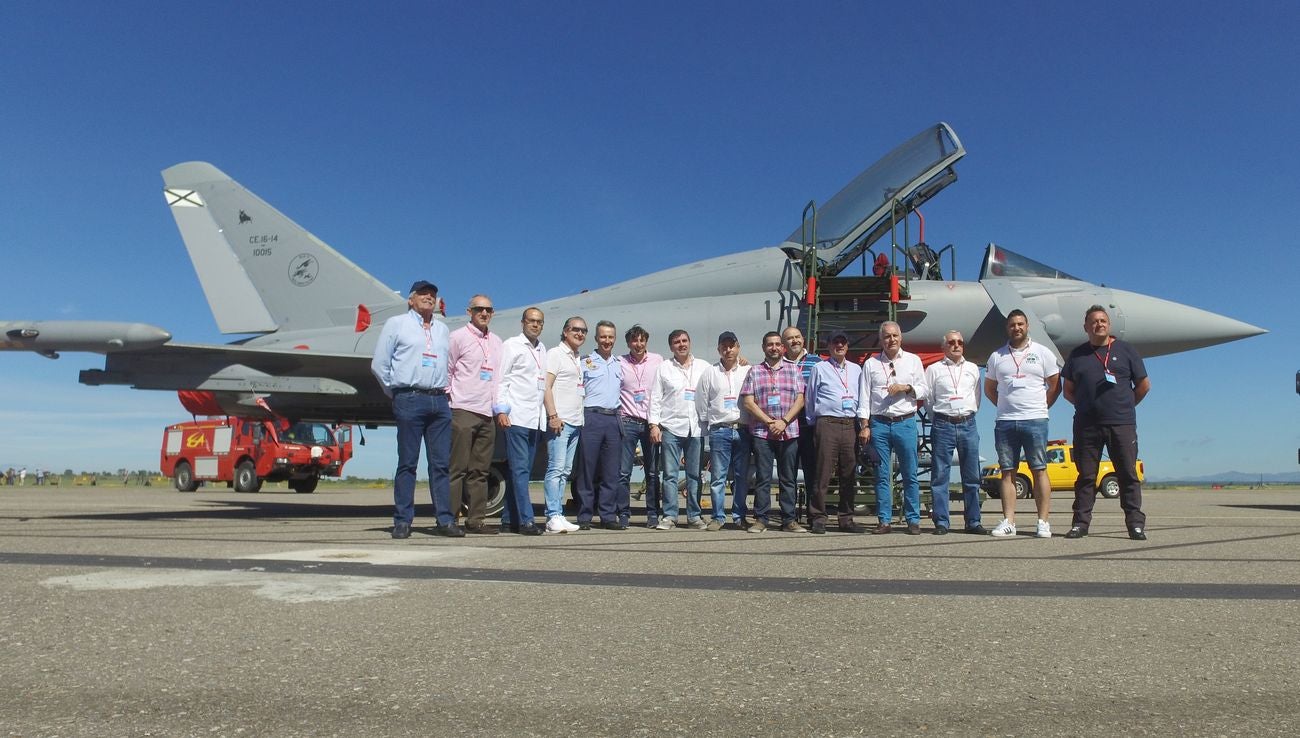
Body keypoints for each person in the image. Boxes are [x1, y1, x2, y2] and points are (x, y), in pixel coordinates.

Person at [370, 280, 460, 539]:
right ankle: (403, 520)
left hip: (439, 401)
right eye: (422, 294)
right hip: (409, 398)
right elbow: (379, 364)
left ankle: (445, 520)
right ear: (411, 300)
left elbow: (448, 365)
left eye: (432, 294)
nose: (428, 297)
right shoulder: (396, 324)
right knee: (408, 463)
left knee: (441, 465)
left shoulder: (443, 330)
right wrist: (397, 392)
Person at [1061, 305, 1150, 540]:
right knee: (1086, 476)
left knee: (1127, 474)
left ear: (1108, 325)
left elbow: (1143, 386)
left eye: (1102, 321)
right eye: (1094, 321)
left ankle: (1135, 525)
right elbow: (1068, 391)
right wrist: (1085, 406)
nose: (1098, 324)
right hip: (1087, 426)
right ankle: (1080, 523)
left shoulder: (1126, 350)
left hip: (1121, 424)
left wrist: (1125, 406)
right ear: (1086, 327)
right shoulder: (1077, 355)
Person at [984, 309, 1061, 539]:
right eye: (1012, 325)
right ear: (1007, 329)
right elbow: (989, 388)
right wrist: (1005, 407)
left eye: (1020, 324)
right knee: (1008, 471)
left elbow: (1055, 384)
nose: (1016, 328)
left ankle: (1043, 522)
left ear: (1027, 326)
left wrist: (1041, 407)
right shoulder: (997, 356)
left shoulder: (1042, 353)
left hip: (1035, 420)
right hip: (1006, 422)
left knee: (1039, 469)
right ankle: (1009, 521)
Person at [859, 321, 928, 535]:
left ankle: (913, 520)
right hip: (879, 424)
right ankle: (884, 520)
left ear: (901, 338)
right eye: (887, 336)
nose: (891, 340)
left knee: (910, 473)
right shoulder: (871, 364)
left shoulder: (913, 361)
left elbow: (924, 391)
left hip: (905, 422)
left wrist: (906, 388)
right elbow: (864, 396)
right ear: (881, 340)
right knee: (881, 474)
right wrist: (864, 425)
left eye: (895, 336)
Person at [740, 331, 807, 533]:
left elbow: (800, 399)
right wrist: (770, 422)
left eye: (778, 344)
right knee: (763, 478)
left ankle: (789, 520)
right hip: (762, 432)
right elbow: (748, 402)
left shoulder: (794, 370)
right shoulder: (754, 371)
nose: (774, 348)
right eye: (770, 344)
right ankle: (761, 519)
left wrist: (784, 421)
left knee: (788, 478)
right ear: (764, 347)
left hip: (789, 431)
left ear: (783, 347)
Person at [447, 295, 503, 534]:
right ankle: (449, 519)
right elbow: (447, 370)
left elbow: (498, 377)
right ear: (469, 311)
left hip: (486, 413)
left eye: (488, 309)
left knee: (480, 470)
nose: (484, 312)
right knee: (456, 468)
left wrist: (497, 408)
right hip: (462, 410)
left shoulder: (497, 342)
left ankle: (475, 519)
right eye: (479, 309)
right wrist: (451, 400)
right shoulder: (457, 337)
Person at [493, 307, 548, 535]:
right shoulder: (511, 346)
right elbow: (501, 379)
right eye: (531, 321)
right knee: (520, 471)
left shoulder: (542, 348)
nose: (535, 325)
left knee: (520, 469)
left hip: (535, 419)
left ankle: (508, 520)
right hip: (516, 416)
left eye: (539, 322)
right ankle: (526, 521)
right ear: (522, 323)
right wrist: (501, 410)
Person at [924, 330, 985, 535]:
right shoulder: (933, 370)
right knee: (940, 475)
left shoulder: (973, 368)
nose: (956, 345)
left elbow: (977, 396)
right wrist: (941, 418)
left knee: (972, 475)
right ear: (944, 347)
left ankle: (973, 521)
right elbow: (929, 400)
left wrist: (966, 413)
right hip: (943, 424)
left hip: (968, 423)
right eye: (951, 342)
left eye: (960, 342)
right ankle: (941, 521)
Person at [804, 330, 865, 534]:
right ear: (828, 346)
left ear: (847, 346)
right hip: (827, 423)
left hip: (850, 424)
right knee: (823, 472)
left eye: (843, 342)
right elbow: (810, 398)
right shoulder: (820, 368)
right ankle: (817, 517)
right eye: (835, 342)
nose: (839, 346)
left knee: (849, 473)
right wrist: (815, 422)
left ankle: (846, 518)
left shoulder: (856, 369)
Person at [648, 329, 709, 530]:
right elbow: (655, 398)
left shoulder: (703, 367)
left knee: (694, 475)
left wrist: (741, 361)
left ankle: (694, 516)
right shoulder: (664, 368)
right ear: (671, 346)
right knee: (670, 475)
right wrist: (654, 425)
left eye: (684, 341)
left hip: (696, 428)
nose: (681, 344)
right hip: (672, 428)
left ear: (689, 342)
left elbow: (720, 376)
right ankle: (670, 516)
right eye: (676, 342)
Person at [695, 331, 751, 532]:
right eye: (724, 346)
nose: (728, 350)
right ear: (719, 349)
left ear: (738, 347)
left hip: (743, 430)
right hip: (720, 430)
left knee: (741, 476)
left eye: (732, 345)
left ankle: (739, 516)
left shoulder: (747, 370)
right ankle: (718, 517)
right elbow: (701, 400)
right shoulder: (710, 373)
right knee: (717, 477)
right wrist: (708, 422)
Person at [576, 320, 625, 529]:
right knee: (587, 470)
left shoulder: (619, 364)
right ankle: (585, 516)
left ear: (615, 339)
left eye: (610, 337)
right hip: (592, 417)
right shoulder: (585, 362)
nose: (607, 341)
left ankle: (607, 516)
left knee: (611, 471)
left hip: (613, 418)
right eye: (603, 336)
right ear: (596, 338)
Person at [542, 317, 587, 533]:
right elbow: (546, 386)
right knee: (556, 468)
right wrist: (553, 415)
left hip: (576, 421)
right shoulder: (555, 354)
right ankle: (552, 515)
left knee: (566, 470)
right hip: (560, 421)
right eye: (575, 330)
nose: (580, 334)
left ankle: (558, 514)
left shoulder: (578, 358)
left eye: (583, 331)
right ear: (565, 331)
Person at [617, 325, 664, 528]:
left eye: (642, 340)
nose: (638, 344)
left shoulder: (658, 360)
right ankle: (623, 513)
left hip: (651, 423)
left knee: (653, 472)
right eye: (634, 340)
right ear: (628, 343)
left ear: (646, 341)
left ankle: (653, 514)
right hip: (627, 421)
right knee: (623, 472)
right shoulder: (619, 362)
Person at [782, 326, 820, 519]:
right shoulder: (779, 364)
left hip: (809, 427)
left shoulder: (817, 362)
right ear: (784, 343)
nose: (794, 341)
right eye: (790, 338)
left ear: (803, 340)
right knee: (787, 475)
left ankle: (814, 516)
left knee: (812, 473)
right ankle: (789, 517)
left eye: (797, 337)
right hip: (787, 428)